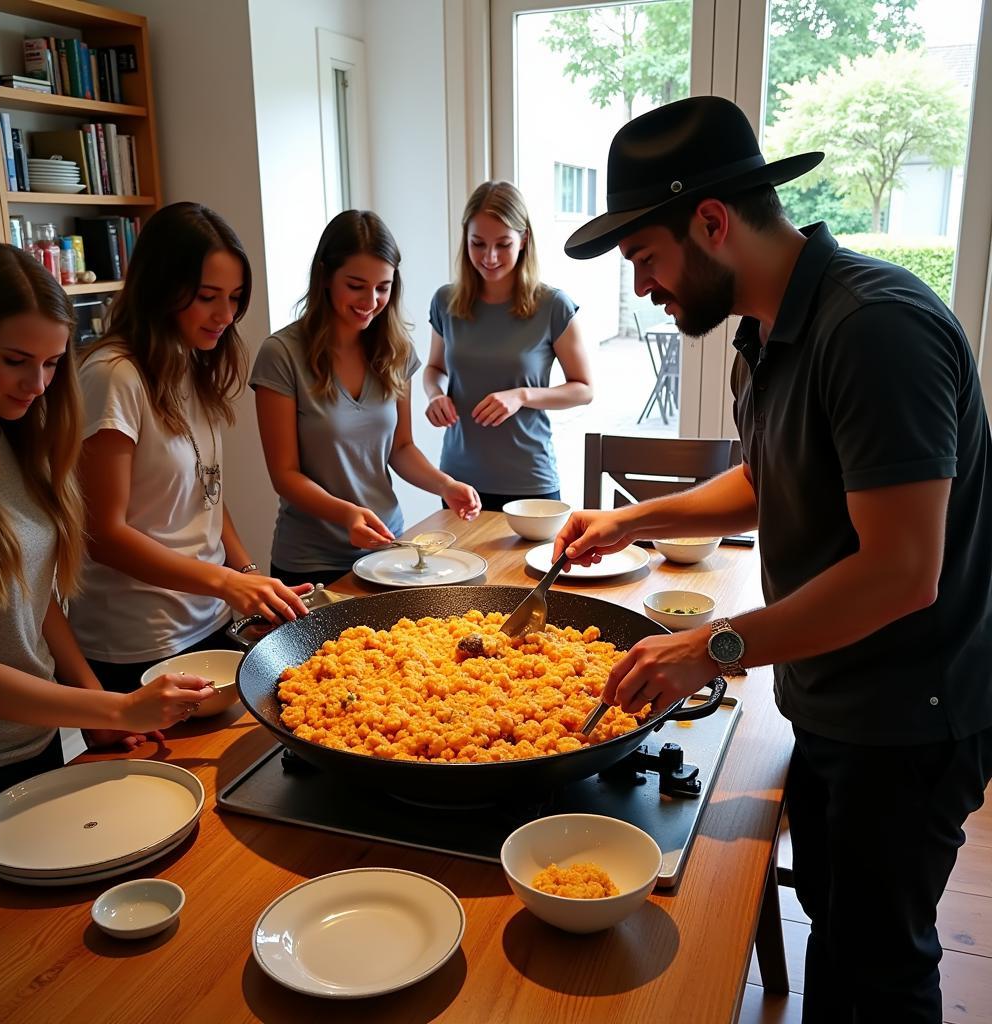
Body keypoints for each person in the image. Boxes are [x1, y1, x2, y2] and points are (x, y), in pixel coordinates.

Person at [554, 96, 992, 1023]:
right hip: (834, 694)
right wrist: (634, 522)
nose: (644, 289)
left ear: (712, 223)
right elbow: (770, 479)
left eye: (646, 259)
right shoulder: (765, 328)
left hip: (910, 717)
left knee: (880, 973)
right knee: (837, 929)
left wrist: (712, 646)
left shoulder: (875, 328)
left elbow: (903, 572)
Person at [0, 244, 215, 814]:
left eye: (52, 363)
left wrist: (96, 699)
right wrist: (117, 710)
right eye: (15, 360)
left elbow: (31, 599)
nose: (37, 383)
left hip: (36, 735)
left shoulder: (15, 441)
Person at [69, 203, 309, 693]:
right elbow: (103, 533)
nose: (226, 315)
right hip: (140, 638)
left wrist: (246, 577)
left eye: (235, 298)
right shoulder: (114, 375)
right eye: (207, 297)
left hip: (205, 620)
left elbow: (207, 496)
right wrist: (224, 582)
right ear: (162, 287)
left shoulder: (189, 362)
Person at [252, 209, 481, 587]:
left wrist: (446, 485)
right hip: (311, 561)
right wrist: (347, 515)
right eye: (356, 285)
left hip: (387, 552)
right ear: (325, 276)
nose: (371, 301)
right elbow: (285, 475)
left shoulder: (396, 350)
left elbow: (401, 448)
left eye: (383, 287)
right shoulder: (281, 354)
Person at [424, 181, 593, 511]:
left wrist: (522, 395)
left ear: (524, 239)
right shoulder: (445, 301)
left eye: (502, 244)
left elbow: (584, 389)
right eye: (478, 243)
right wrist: (435, 395)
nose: (489, 257)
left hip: (530, 481)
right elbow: (434, 369)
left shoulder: (552, 305)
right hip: (459, 481)